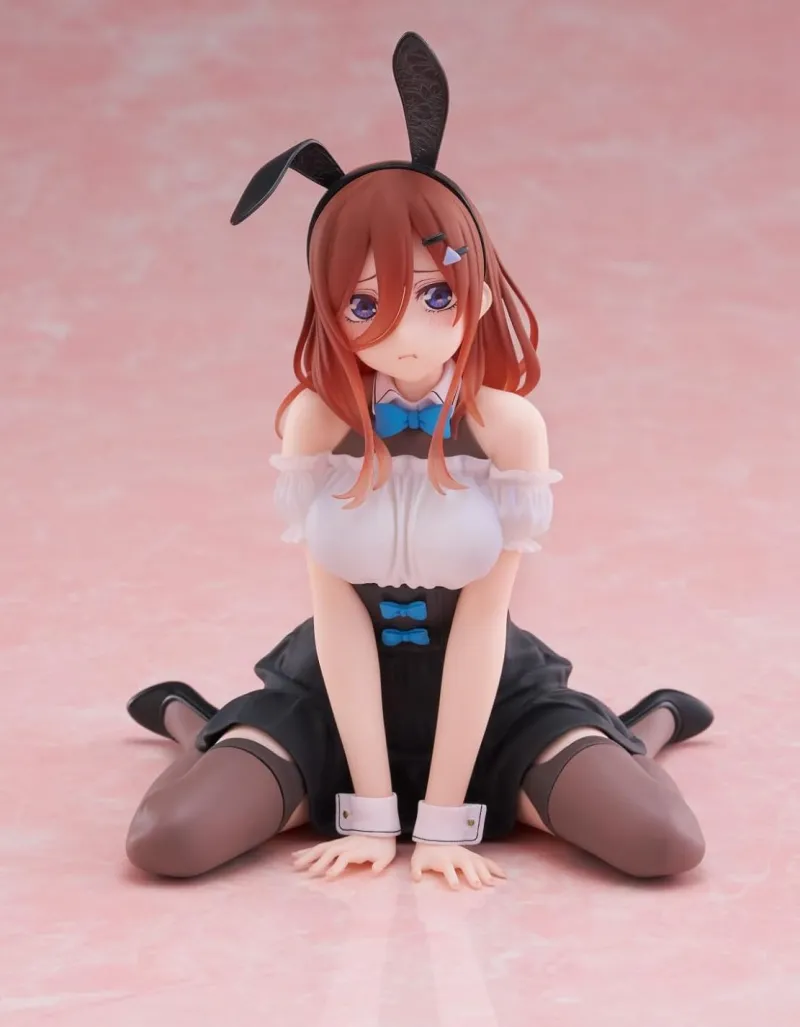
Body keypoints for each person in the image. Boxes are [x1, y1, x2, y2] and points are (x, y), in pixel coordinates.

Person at [124, 33, 712, 889]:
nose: (405, 331)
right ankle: (193, 723)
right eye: (366, 304)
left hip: (494, 700)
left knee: (663, 843)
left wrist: (439, 824)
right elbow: (335, 613)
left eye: (436, 294)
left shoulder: (509, 428)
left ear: (478, 288)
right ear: (328, 310)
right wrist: (370, 812)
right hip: (330, 700)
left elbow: (482, 621)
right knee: (167, 841)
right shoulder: (316, 421)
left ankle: (645, 727)